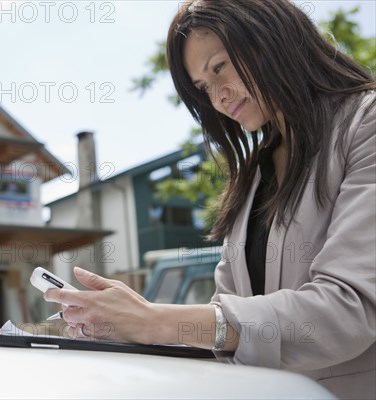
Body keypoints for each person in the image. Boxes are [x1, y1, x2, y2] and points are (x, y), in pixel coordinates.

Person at [43, 0, 375, 398]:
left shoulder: (365, 125)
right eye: (203, 87)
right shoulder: (254, 173)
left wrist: (156, 320)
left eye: (219, 67)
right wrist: (127, 326)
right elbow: (228, 325)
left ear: (272, 37)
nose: (218, 97)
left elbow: (346, 312)